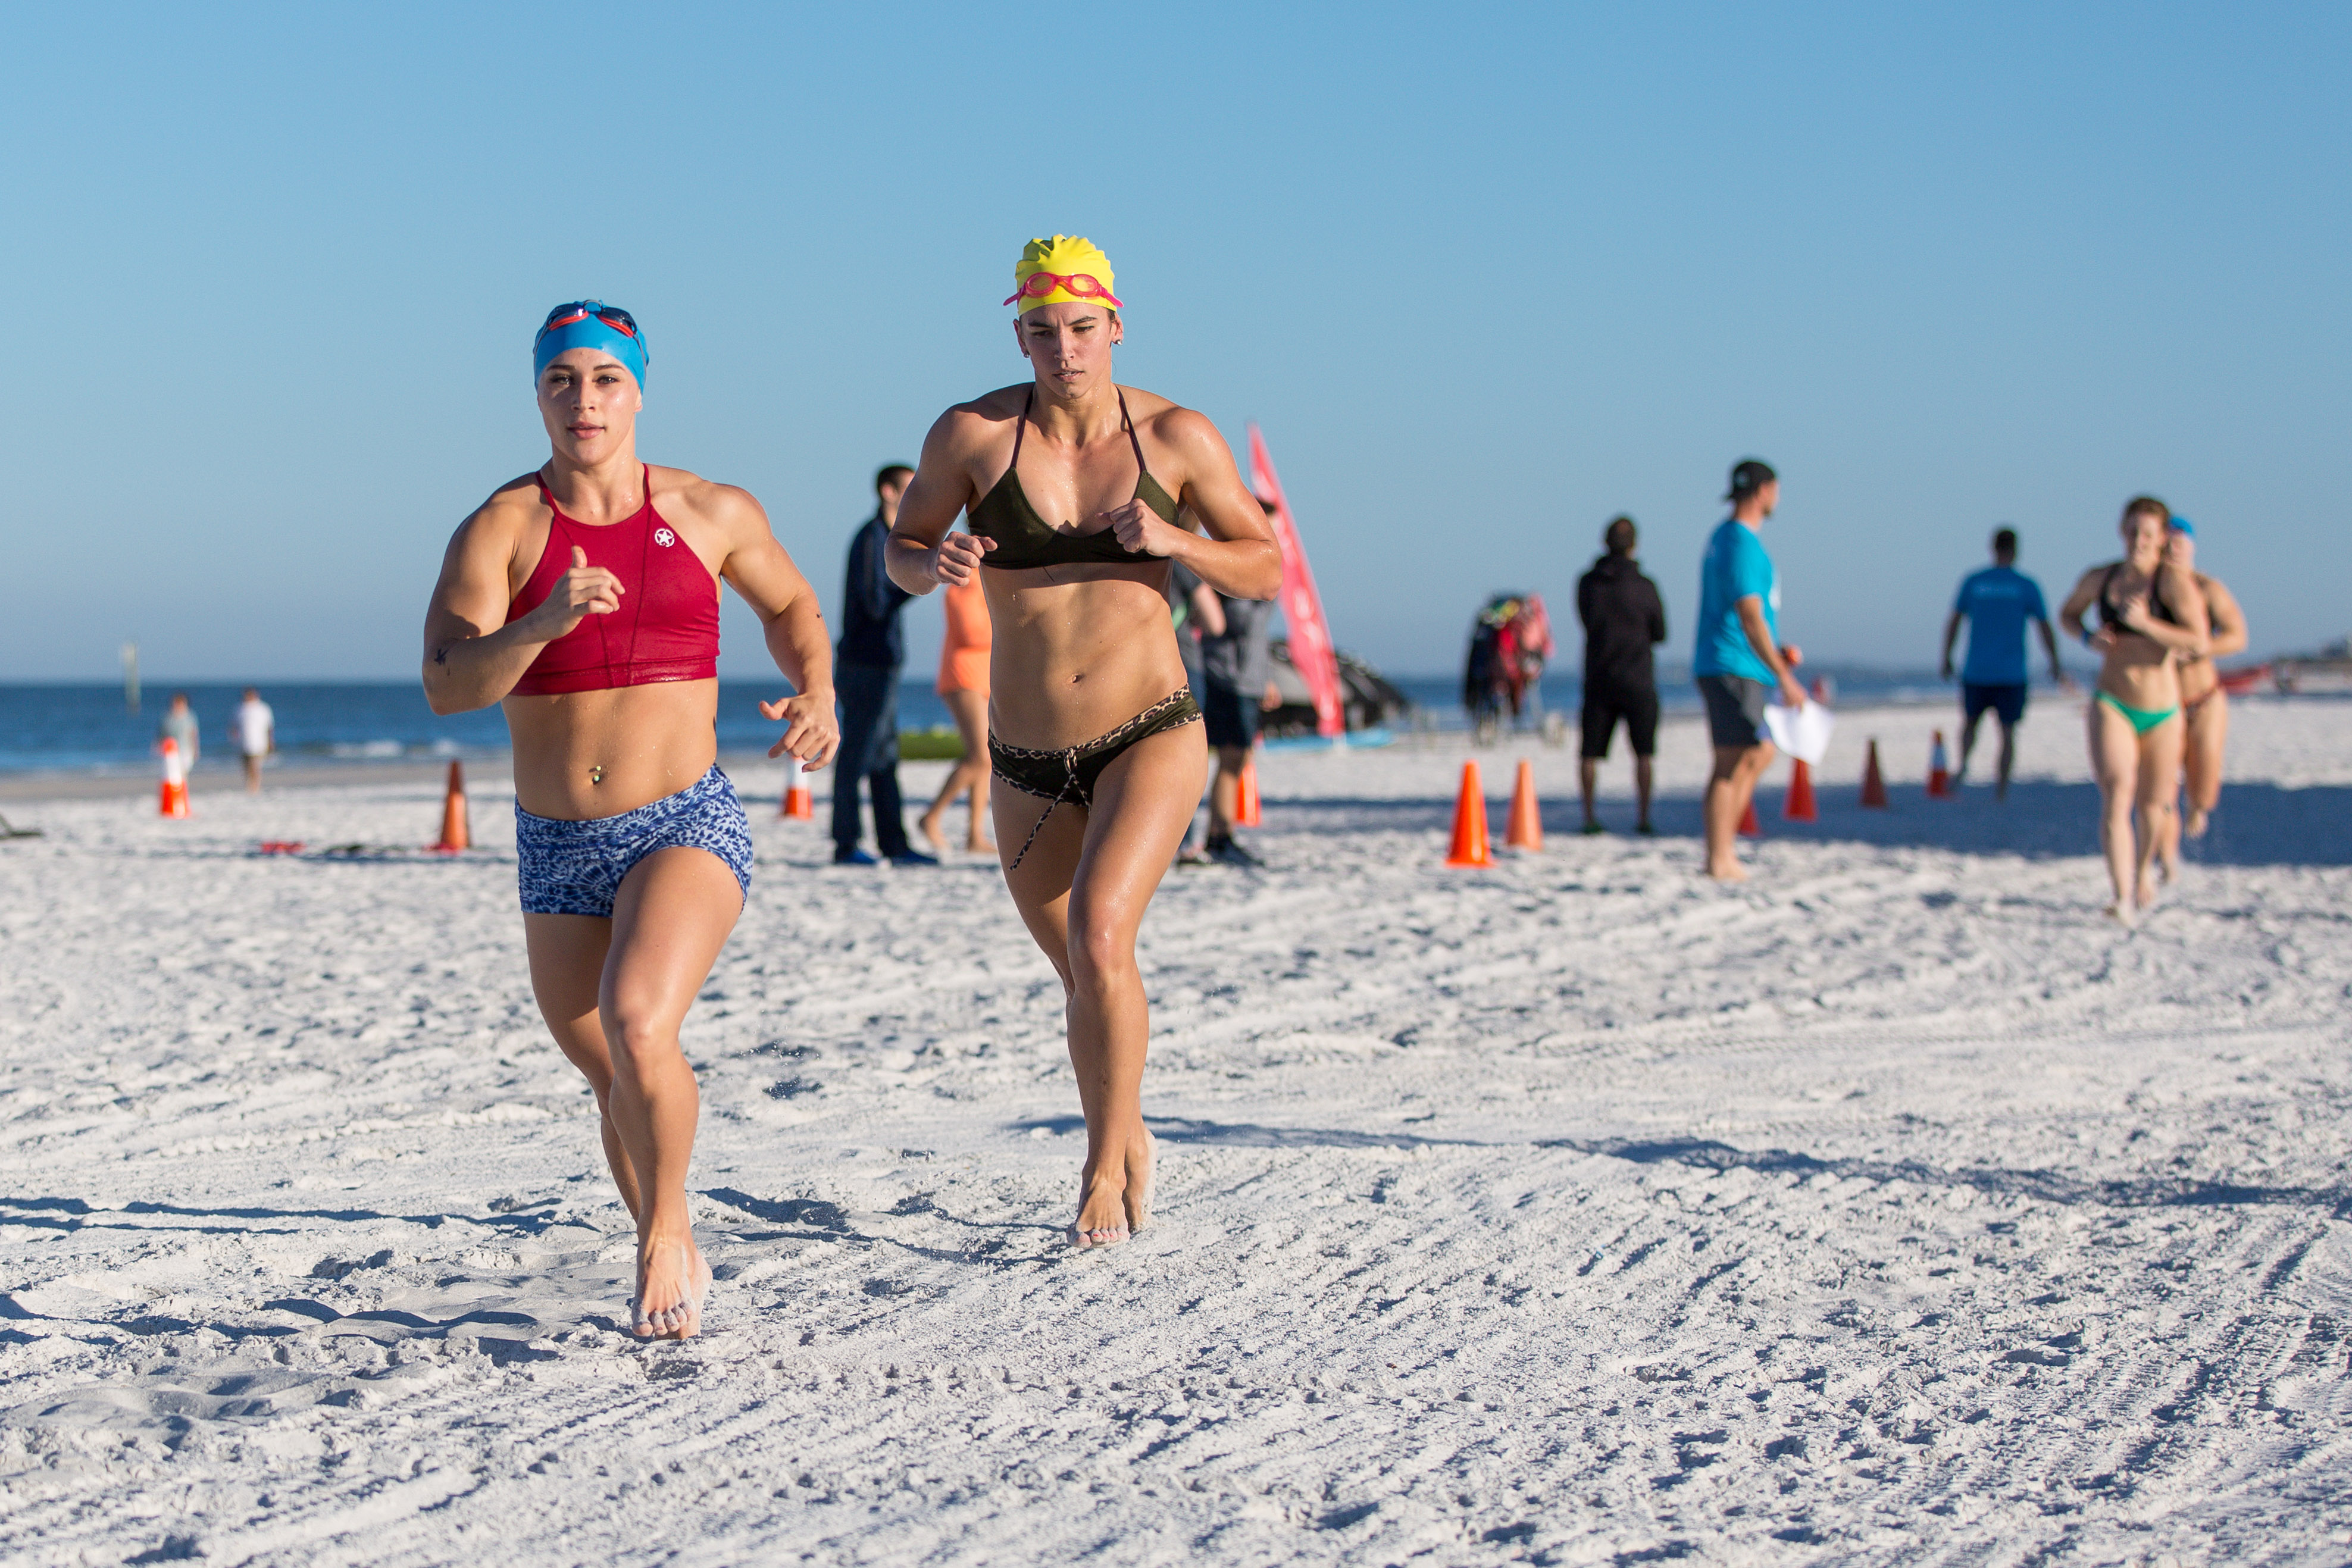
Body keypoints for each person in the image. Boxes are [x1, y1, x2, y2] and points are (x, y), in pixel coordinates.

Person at [422, 299, 839, 1338]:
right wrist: (545, 621)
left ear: (638, 389)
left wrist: (819, 690)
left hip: (679, 823)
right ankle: (672, 1233)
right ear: (538, 395)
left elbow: (790, 609)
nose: (584, 400)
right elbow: (446, 682)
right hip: (553, 844)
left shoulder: (708, 511)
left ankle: (662, 1232)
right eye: (562, 380)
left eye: (605, 379)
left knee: (639, 1018)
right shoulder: (503, 527)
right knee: (610, 1068)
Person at [885, 236, 1280, 1246]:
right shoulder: (972, 436)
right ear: (1018, 333)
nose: (1064, 349)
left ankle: (1105, 1162)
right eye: (1042, 331)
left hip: (1148, 727)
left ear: (1115, 325)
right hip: (1023, 756)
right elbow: (900, 550)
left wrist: (1178, 540)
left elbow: (1263, 567)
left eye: (1082, 328)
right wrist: (937, 564)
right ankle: (1127, 1119)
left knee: (1103, 934)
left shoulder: (1174, 438)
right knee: (1081, 969)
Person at [2057, 497, 2209, 923]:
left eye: (2148, 534)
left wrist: (2146, 625)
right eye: (2132, 531)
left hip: (2162, 709)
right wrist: (2088, 638)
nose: (2138, 541)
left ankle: (2143, 871)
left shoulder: (2173, 584)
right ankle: (2121, 894)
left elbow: (2198, 639)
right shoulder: (2101, 578)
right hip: (2113, 700)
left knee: (2155, 804)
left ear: (2162, 539)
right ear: (2121, 531)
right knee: (2117, 792)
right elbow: (2067, 614)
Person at [1693, 460, 1807, 881]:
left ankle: (1725, 849)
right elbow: (1749, 614)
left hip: (1739, 661)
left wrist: (1776, 653)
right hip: (1732, 663)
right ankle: (1718, 856)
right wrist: (1784, 675)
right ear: (1763, 491)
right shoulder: (1741, 544)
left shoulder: (1724, 539)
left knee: (1758, 752)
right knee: (1732, 759)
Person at [833, 467, 936, 866]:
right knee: (857, 756)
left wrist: (921, 571)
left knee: (884, 756)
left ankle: (894, 843)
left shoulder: (893, 540)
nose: (917, 494)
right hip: (863, 663)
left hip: (884, 662)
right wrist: (922, 576)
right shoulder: (871, 540)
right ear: (888, 491)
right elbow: (876, 604)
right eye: (909, 487)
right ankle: (847, 844)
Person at [1939, 528, 2068, 799]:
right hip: (2011, 672)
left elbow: (1954, 621)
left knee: (1970, 723)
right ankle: (2002, 788)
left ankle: (1963, 767)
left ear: (1992, 547)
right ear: (2016, 550)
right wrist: (2054, 661)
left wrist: (1946, 657)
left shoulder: (1974, 582)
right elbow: (2044, 627)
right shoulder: (2025, 585)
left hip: (1978, 669)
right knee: (2007, 731)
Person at [2159, 518, 2247, 866]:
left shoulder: (2207, 588)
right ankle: (2167, 851)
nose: (2174, 548)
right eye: (2169, 542)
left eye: (2181, 542)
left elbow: (2238, 637)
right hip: (2166, 699)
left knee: (2205, 773)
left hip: (2205, 696)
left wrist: (2201, 647)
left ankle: (2199, 807)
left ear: (2192, 546)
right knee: (2164, 784)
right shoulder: (2153, 591)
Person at [1197, 506, 1280, 865]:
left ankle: (1221, 834)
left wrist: (1267, 676)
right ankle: (1218, 836)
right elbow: (1233, 622)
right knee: (1230, 758)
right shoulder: (1235, 566)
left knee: (1237, 759)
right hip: (1226, 675)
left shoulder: (1258, 568)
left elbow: (1258, 634)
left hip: (1248, 676)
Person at [1575, 515, 1665, 834]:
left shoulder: (1589, 584)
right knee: (1643, 753)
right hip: (1638, 676)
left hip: (1599, 675)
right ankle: (1643, 817)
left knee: (1590, 753)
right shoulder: (1644, 586)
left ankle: (1589, 817)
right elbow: (1660, 631)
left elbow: (1585, 620)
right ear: (1634, 546)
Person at [918, 546, 995, 855]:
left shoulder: (991, 574)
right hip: (962, 673)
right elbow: (969, 632)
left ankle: (974, 835)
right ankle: (932, 816)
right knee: (981, 756)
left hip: (982, 674)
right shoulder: (967, 574)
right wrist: (1008, 628)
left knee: (984, 757)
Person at [233, 687, 274, 793]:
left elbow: (269, 727)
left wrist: (270, 742)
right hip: (243, 743)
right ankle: (249, 785)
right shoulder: (240, 708)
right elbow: (234, 725)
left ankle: (255, 786)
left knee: (255, 765)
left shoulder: (263, 708)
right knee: (246, 766)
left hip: (259, 743)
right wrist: (234, 738)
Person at [159, 691, 199, 772]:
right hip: (172, 751)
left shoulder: (189, 717)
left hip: (186, 750)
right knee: (175, 772)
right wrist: (159, 746)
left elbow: (194, 734)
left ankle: (184, 785)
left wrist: (196, 750)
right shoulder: (167, 718)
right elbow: (162, 734)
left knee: (183, 771)